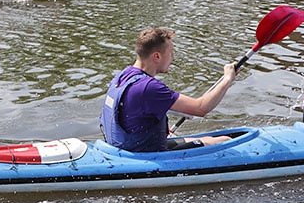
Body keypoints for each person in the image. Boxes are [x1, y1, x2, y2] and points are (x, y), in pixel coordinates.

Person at [100, 27, 238, 152]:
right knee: (225, 141)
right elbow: (201, 108)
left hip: (121, 148)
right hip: (144, 155)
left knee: (208, 138)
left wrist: (177, 110)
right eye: (171, 53)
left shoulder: (122, 76)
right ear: (157, 56)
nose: (172, 58)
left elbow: (134, 107)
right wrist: (227, 78)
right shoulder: (149, 88)